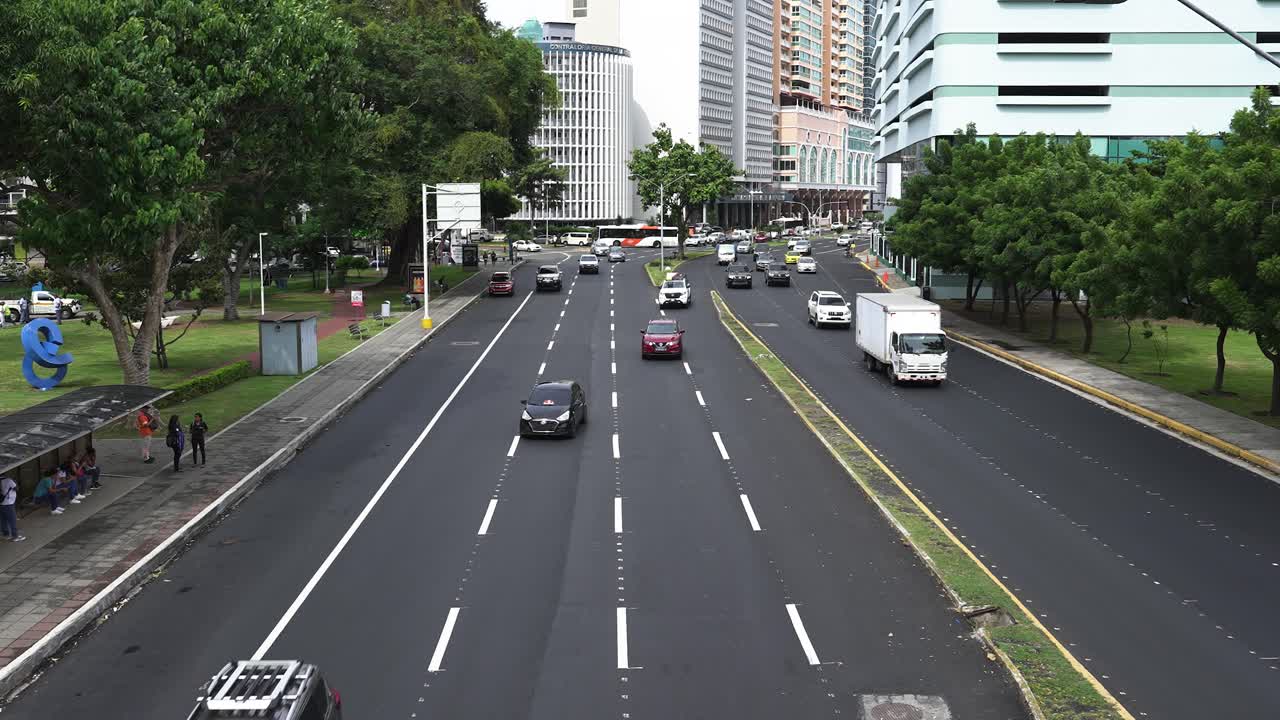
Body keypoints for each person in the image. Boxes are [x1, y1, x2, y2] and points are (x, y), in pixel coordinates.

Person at [0, 474, 23, 542]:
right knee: (12, 520)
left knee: (3, 519)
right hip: (8, 503)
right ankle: (15, 536)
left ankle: (6, 534)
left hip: (1, 504)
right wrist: (14, 481)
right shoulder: (8, 480)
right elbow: (17, 489)